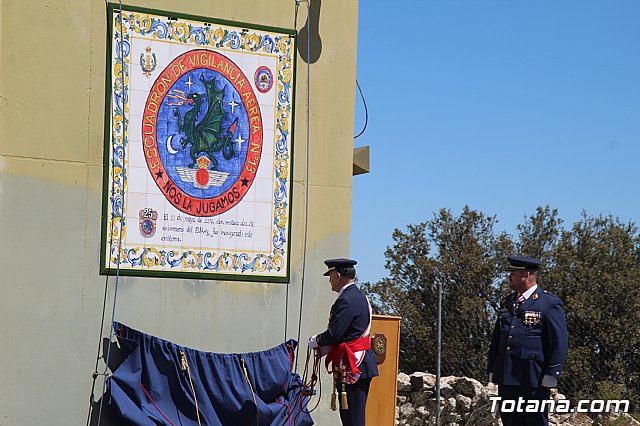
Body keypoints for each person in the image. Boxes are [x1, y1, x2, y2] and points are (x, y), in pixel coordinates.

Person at [487, 255, 569, 426]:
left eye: (513, 274)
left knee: (534, 421)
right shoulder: (507, 302)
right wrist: (493, 367)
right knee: (511, 421)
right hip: (507, 375)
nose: (509, 278)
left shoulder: (548, 302)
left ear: (525, 275)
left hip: (533, 376)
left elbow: (558, 340)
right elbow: (498, 338)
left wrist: (553, 371)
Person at [308, 258, 379, 426]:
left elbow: (335, 334)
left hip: (352, 364)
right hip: (359, 362)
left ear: (338, 276)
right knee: (352, 416)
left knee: (352, 419)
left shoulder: (346, 300)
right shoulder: (360, 297)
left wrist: (316, 341)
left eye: (330, 276)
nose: (330, 281)